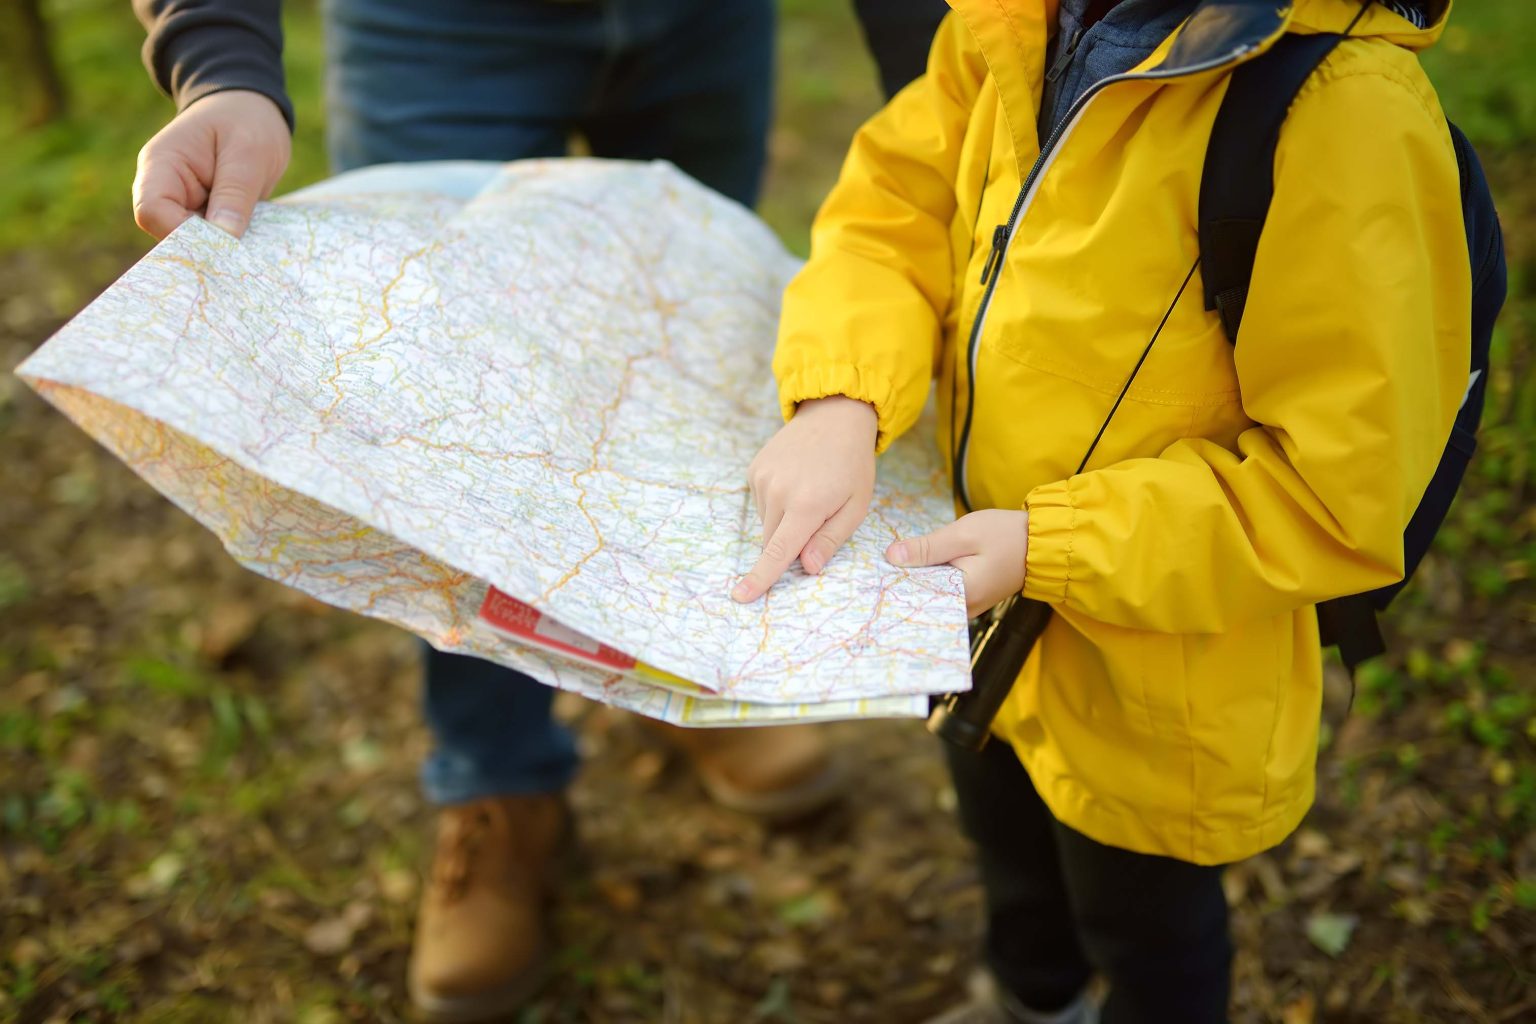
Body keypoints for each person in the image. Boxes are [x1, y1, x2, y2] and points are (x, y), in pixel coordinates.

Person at [128, 0, 947, 1020]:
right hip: (431, 28)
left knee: (693, 344)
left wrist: (949, 76)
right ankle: (498, 787)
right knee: (445, 407)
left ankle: (673, 670)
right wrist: (221, 63)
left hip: (708, 23)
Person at [736, 1, 1467, 1021]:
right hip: (981, 612)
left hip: (1162, 672)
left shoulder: (1342, 113)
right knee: (1004, 842)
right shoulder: (1010, 21)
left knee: (1145, 923)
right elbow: (893, 207)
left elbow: (1338, 491)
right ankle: (1031, 999)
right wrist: (841, 397)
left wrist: (1049, 546)